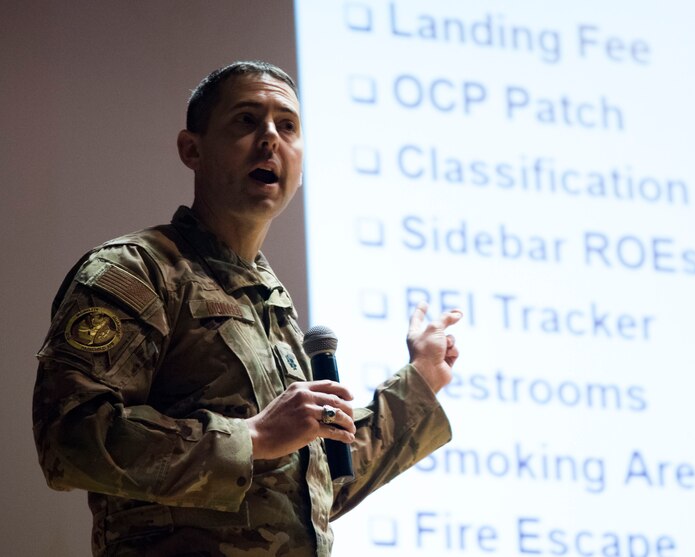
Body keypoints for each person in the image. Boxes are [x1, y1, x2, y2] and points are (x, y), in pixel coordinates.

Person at [33, 60, 462, 556]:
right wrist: (251, 437)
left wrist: (421, 381)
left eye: (288, 126)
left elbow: (310, 490)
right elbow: (70, 438)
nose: (271, 138)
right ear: (192, 149)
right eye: (246, 120)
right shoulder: (137, 270)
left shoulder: (269, 298)